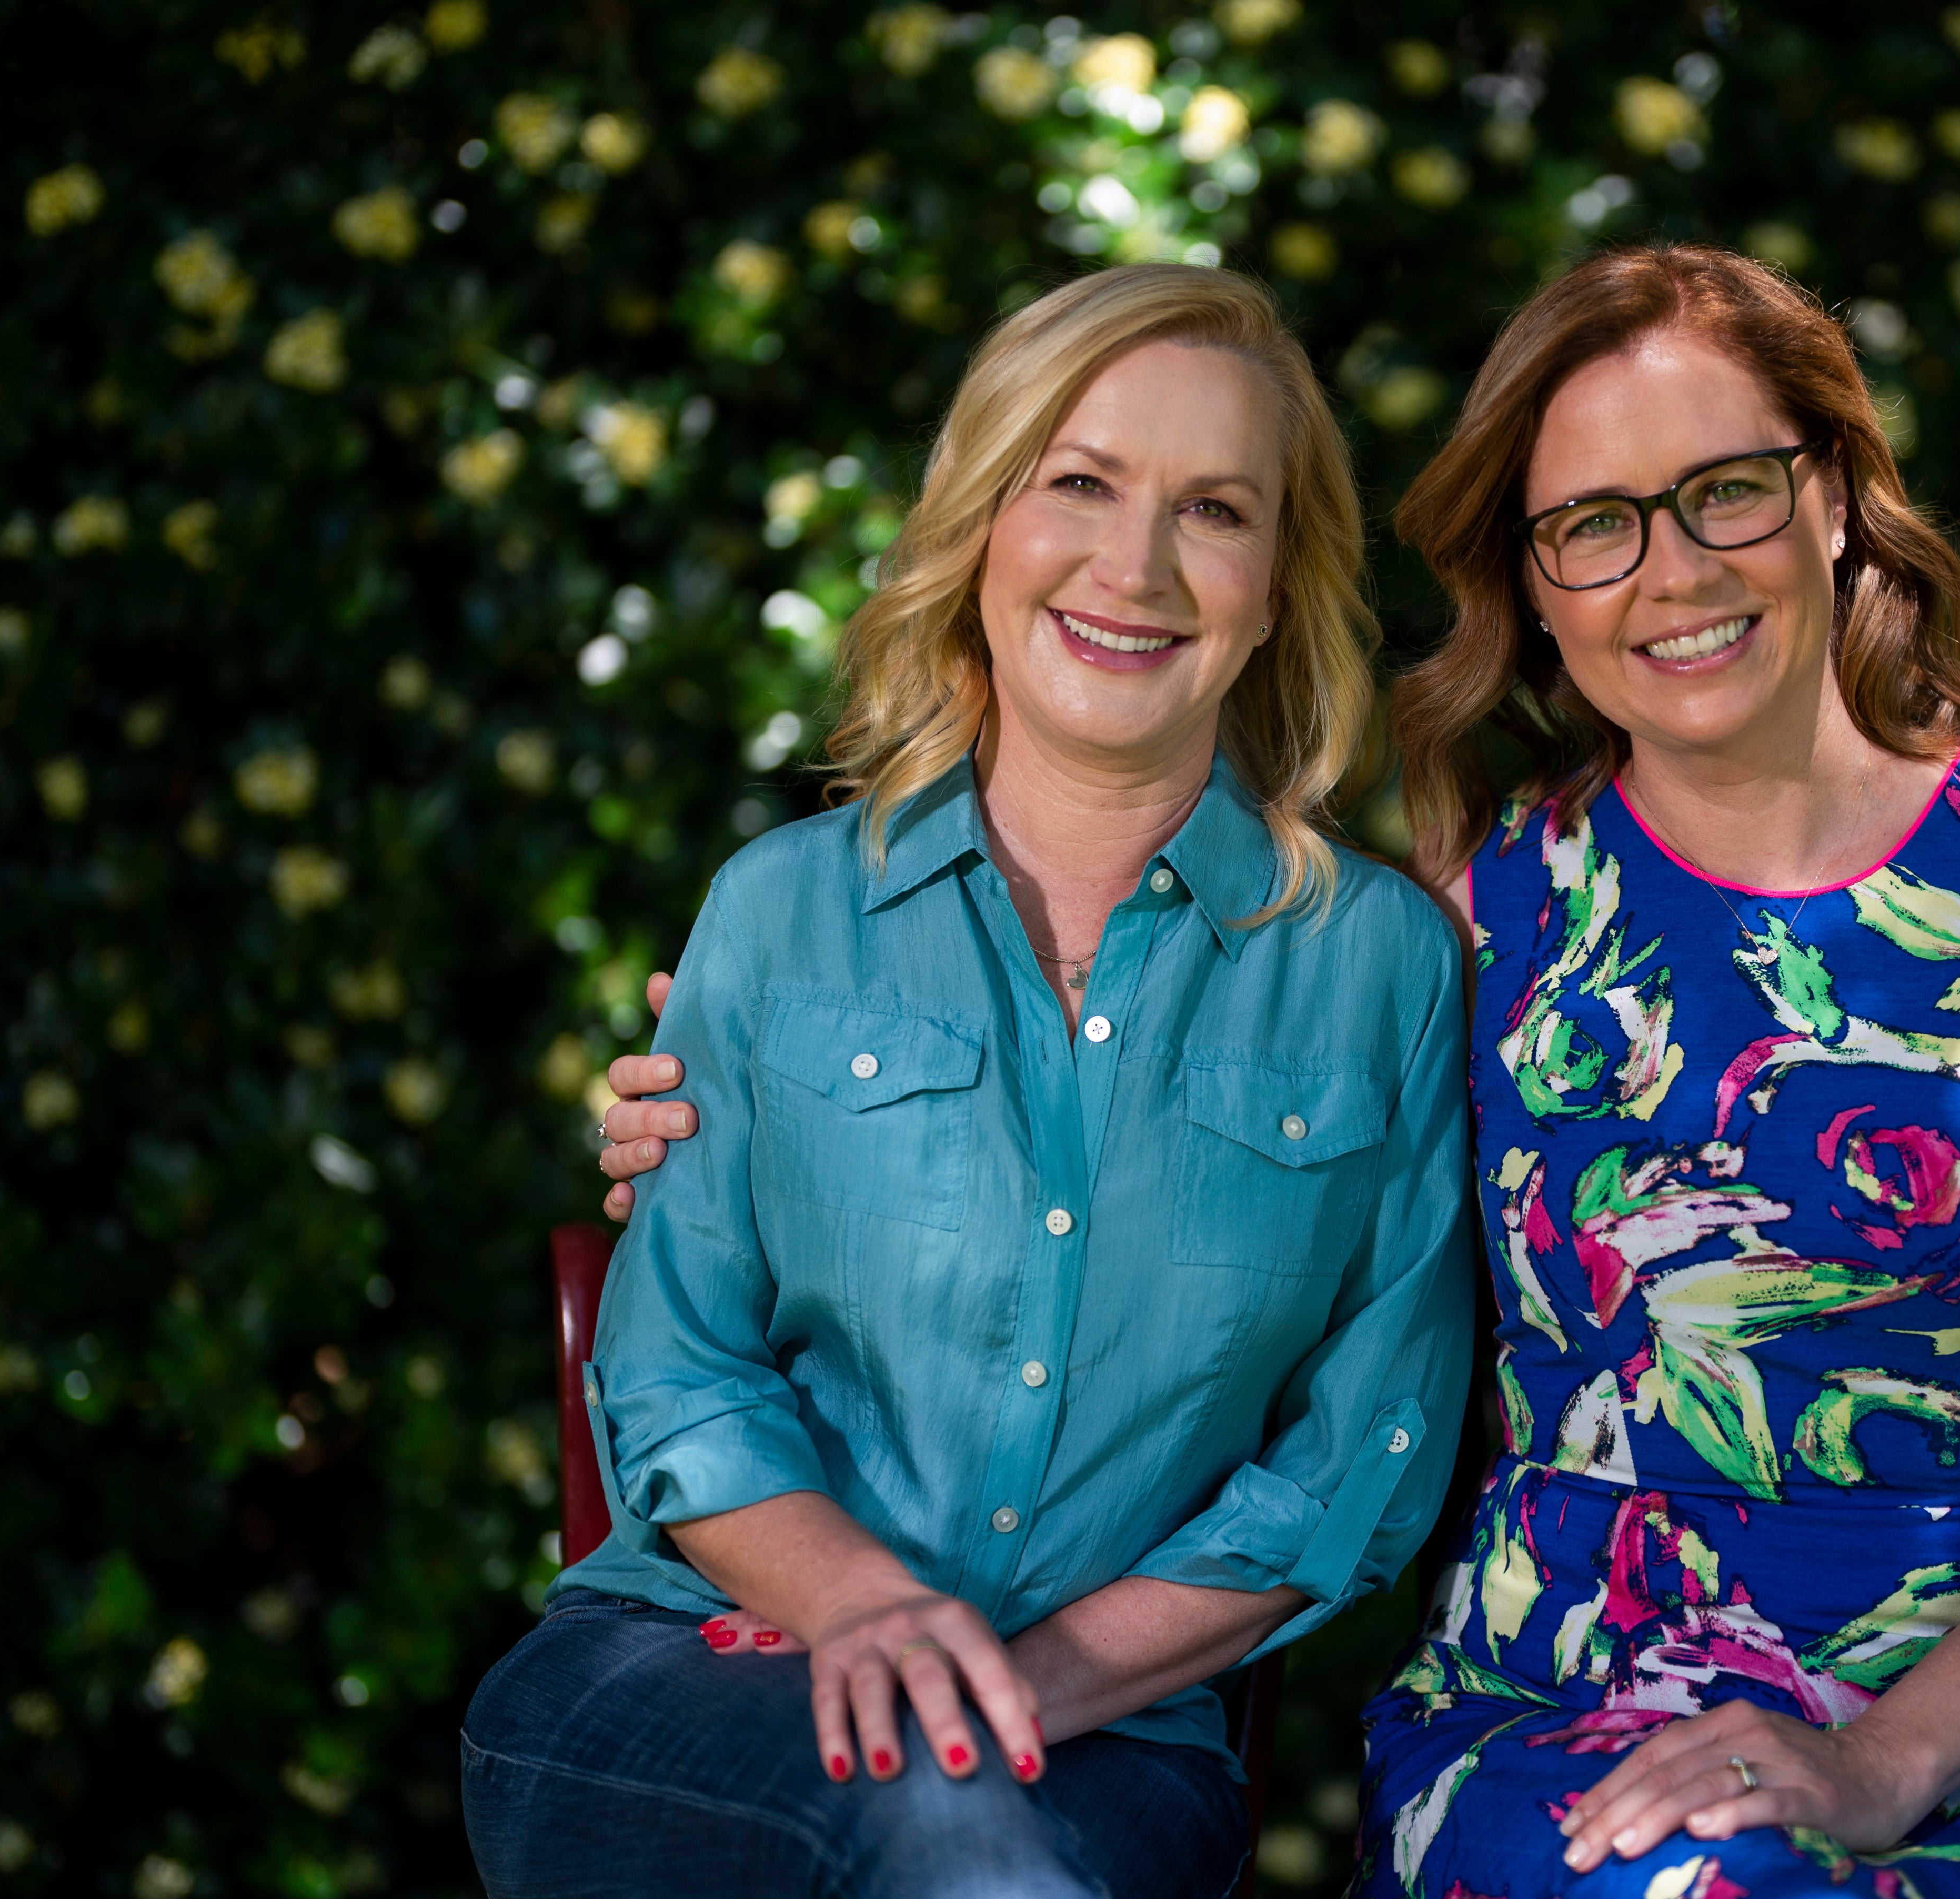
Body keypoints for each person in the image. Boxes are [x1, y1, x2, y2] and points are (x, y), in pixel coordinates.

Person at [602, 244, 1960, 1898]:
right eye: (1596, 526)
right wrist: (730, 1093)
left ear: (1835, 493)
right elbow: (1103, 1133)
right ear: (1538, 586)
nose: (1673, 571)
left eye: (1730, 492)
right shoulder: (1480, 926)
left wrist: (1893, 1753)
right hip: (1584, 1708)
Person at [460, 263, 1475, 1899]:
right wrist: (864, 1605)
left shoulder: (1379, 969)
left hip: (1109, 1746)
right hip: (690, 1669)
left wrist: (1031, 1682)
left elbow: (1368, 1447)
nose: (1134, 565)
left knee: (974, 1850)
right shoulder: (781, 910)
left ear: (1280, 583)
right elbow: (680, 1363)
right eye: (1079, 482)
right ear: (985, 521)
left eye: (1215, 509)